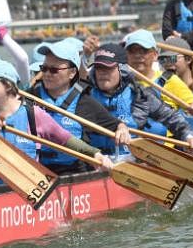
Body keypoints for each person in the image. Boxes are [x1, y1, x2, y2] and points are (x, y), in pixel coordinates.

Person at [0, 60, 111, 185]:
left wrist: (96, 155)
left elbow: (66, 139)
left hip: (29, 190)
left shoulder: (33, 114)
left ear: (8, 85)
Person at [29, 39, 131, 173]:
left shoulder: (84, 102)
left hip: (75, 170)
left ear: (72, 73)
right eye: (44, 69)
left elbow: (116, 124)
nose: (47, 74)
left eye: (54, 70)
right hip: (37, 171)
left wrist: (122, 129)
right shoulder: (29, 98)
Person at [87, 43, 193, 154]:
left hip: (133, 160)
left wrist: (189, 137)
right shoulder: (84, 97)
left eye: (108, 68)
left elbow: (172, 119)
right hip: (96, 162)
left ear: (122, 70)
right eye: (98, 68)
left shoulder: (140, 95)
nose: (102, 73)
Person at [124, 30, 193, 117]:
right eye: (163, 59)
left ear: (154, 55)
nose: (137, 56)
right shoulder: (118, 82)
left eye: (172, 58)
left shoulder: (170, 81)